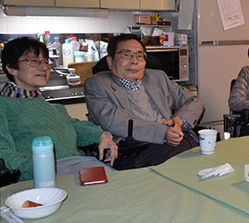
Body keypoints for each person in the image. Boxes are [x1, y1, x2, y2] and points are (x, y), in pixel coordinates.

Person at [0, 37, 118, 181]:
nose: (44, 67)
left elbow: (73, 126)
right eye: (34, 61)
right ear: (11, 68)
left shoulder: (51, 107)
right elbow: (4, 151)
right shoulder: (4, 105)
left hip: (81, 166)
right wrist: (40, 169)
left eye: (45, 62)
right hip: (43, 175)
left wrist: (102, 136)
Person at [84, 34, 204, 170]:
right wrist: (163, 133)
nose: (134, 61)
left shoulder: (157, 77)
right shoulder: (97, 84)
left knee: (202, 156)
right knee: (186, 163)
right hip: (134, 149)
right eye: (126, 55)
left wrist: (180, 120)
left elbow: (194, 100)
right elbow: (114, 121)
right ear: (110, 61)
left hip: (174, 141)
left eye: (140, 56)